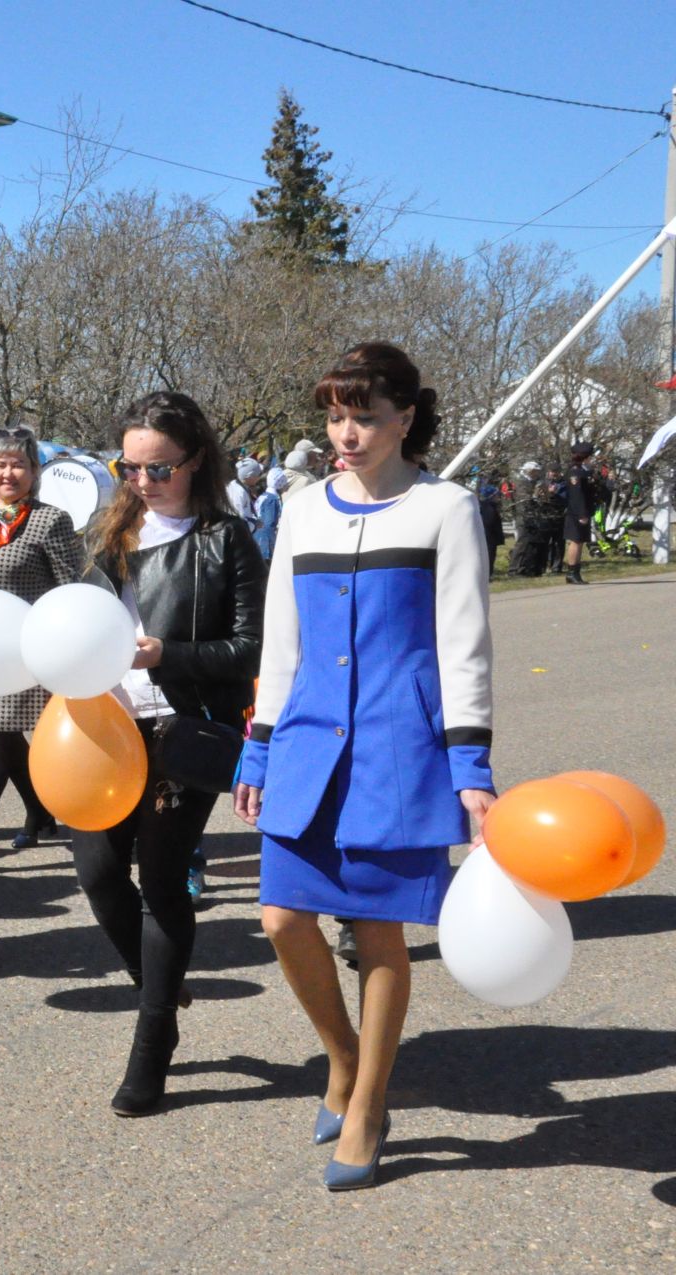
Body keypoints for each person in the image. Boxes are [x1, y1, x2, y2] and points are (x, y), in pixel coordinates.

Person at [234, 341, 494, 1191]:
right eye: (336, 416)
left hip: (399, 747)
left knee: (379, 932)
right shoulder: (303, 507)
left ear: (406, 417)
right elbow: (283, 636)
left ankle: (371, 1102)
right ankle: (343, 1057)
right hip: (308, 738)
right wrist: (260, 741)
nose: (346, 434)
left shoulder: (447, 508)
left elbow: (463, 643)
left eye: (365, 417)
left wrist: (472, 764)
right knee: (281, 918)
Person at [76, 391, 264, 1116]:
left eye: (160, 469)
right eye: (131, 467)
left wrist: (168, 653)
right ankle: (159, 980)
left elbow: (252, 648)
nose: (143, 482)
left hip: (181, 731)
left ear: (195, 462)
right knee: (95, 870)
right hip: (100, 726)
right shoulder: (108, 533)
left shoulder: (228, 540)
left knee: (160, 881)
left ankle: (153, 1036)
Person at [0, 427, 86, 878]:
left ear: (34, 472)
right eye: (0, 464)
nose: (9, 473)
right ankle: (40, 811)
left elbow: (71, 588)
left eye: (19, 464)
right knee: (1, 737)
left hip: (25, 651)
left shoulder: (50, 521)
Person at [562, 440, 599, 585]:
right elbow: (577, 495)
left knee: (580, 541)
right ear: (585, 456)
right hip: (576, 513)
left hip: (583, 511)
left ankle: (575, 572)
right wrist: (582, 513)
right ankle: (572, 572)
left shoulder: (584, 471)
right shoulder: (575, 472)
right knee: (576, 542)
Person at [254, 468, 288, 560]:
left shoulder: (263, 496)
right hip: (266, 541)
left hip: (258, 536)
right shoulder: (272, 499)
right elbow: (270, 523)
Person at [227, 457, 263, 527]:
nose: (259, 478)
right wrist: (255, 524)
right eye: (258, 475)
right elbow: (239, 519)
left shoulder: (236, 485)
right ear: (249, 476)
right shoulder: (239, 492)